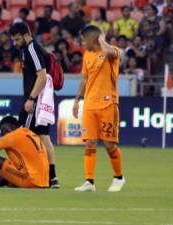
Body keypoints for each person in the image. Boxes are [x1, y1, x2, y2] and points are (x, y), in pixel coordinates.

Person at [72, 25, 125, 192]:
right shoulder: (87, 55)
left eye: (83, 39)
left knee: (109, 145)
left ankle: (119, 177)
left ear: (92, 39)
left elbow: (111, 53)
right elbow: (84, 79)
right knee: (90, 144)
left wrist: (101, 39)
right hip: (90, 105)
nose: (81, 43)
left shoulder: (112, 52)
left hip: (108, 104)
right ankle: (89, 181)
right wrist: (77, 100)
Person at [8, 22, 59, 188]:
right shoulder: (28, 49)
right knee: (44, 138)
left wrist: (31, 99)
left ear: (25, 35)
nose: (15, 43)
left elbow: (42, 76)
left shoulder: (32, 49)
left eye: (16, 39)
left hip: (35, 100)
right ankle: (52, 178)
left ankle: (27, 174)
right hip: (40, 99)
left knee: (22, 136)